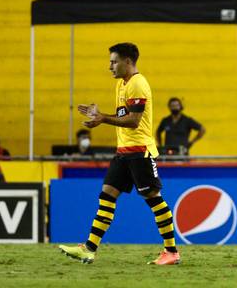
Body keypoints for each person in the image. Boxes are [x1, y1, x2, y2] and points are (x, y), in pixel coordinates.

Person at [59, 42, 180, 265]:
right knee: (107, 195)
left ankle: (171, 252)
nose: (110, 66)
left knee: (153, 198)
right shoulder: (121, 85)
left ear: (127, 61)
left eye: (114, 62)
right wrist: (102, 114)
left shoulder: (138, 84)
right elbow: (124, 116)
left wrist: (103, 119)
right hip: (123, 152)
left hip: (139, 152)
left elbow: (133, 121)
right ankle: (89, 249)